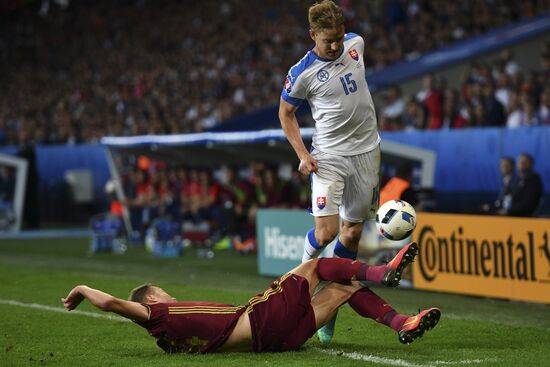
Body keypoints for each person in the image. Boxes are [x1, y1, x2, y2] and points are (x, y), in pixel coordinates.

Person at [62, 242, 440, 353]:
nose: (165, 293)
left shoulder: (170, 342)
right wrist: (81, 288)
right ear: (153, 296)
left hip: (279, 342)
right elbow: (112, 303)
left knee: (344, 288)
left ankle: (402, 323)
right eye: (158, 292)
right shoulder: (157, 314)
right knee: (317, 265)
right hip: (260, 318)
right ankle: (383, 272)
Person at [278, 0, 381, 343]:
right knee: (324, 234)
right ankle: (294, 286)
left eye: (338, 38)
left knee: (351, 235)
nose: (336, 46)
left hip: (367, 152)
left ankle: (329, 309)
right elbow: (286, 114)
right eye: (328, 41)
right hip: (329, 157)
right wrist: (303, 154)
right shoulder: (301, 73)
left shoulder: (356, 44)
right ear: (312, 36)